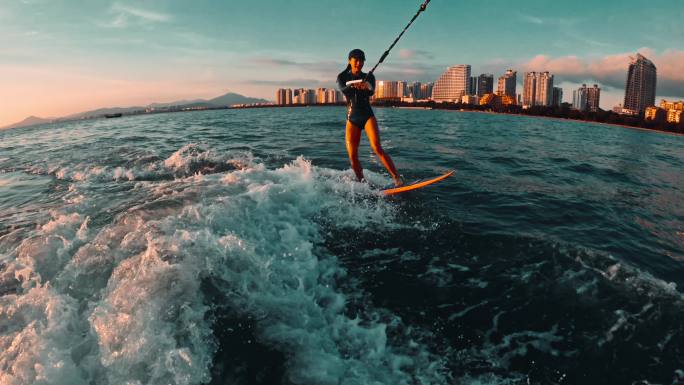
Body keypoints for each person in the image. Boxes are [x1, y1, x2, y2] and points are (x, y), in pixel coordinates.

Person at [337, 49, 403, 187]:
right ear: (350, 60)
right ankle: (362, 184)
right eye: (356, 60)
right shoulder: (342, 76)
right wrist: (355, 84)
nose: (359, 63)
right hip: (352, 118)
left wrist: (366, 86)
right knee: (352, 156)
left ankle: (397, 179)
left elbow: (371, 90)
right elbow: (343, 89)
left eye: (362, 61)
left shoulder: (369, 76)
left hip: (367, 116)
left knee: (377, 147)